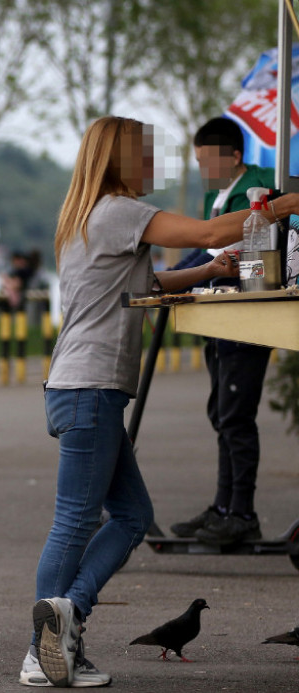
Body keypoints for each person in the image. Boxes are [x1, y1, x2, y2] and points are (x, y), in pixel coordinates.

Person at [22, 115, 299, 688]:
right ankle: (42, 647)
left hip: (79, 386)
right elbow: (206, 230)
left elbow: (142, 286)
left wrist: (209, 272)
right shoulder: (119, 211)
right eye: (146, 154)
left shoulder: (85, 216)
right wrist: (284, 206)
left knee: (131, 517)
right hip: (91, 386)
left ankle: (63, 624)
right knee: (76, 520)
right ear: (120, 159)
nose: (155, 165)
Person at [168, 117, 275, 546]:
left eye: (208, 160)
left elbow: (224, 250)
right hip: (217, 313)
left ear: (235, 156)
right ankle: (222, 507)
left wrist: (167, 279)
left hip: (246, 313)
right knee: (221, 414)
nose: (203, 169)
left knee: (236, 415)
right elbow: (208, 250)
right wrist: (171, 278)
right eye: (198, 162)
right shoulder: (215, 195)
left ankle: (242, 513)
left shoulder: (260, 187)